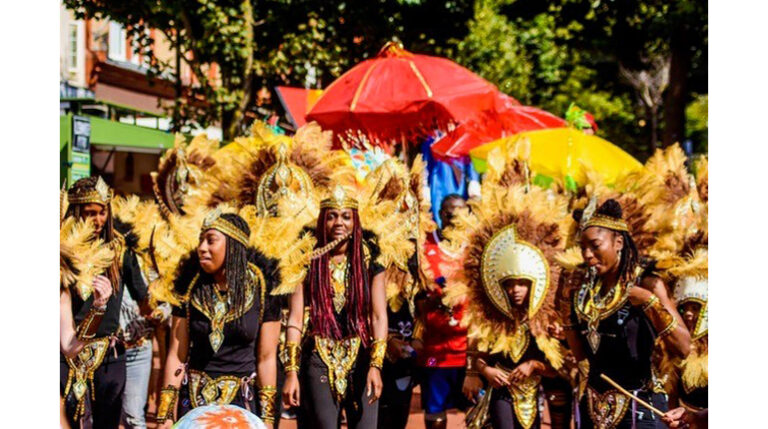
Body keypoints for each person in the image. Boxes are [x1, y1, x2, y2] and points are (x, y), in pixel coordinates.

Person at [563, 199, 691, 429]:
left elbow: (683, 346)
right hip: (594, 409)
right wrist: (565, 308)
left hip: (640, 407)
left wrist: (648, 302)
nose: (587, 254)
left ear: (618, 242)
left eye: (595, 246)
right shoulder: (584, 293)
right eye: (583, 248)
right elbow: (582, 355)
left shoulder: (648, 284)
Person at [155, 211, 283, 428]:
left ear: (233, 245)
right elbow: (177, 355)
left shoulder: (263, 286)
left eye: (211, 241)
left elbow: (267, 358)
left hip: (243, 402)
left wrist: (269, 419)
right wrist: (165, 414)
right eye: (201, 240)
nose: (202, 247)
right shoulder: (189, 286)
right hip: (195, 401)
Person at [281, 186, 388, 429]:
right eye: (332, 216)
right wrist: (291, 372)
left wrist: (376, 366)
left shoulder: (371, 258)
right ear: (322, 221)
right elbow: (295, 319)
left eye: (346, 216)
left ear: (355, 221)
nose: (339, 222)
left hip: (360, 353)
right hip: (318, 356)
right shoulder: (305, 258)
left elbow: (379, 316)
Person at [60, 176, 149, 428]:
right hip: (66, 355)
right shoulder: (62, 252)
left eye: (102, 212)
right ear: (75, 212)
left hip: (109, 356)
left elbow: (143, 297)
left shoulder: (120, 250)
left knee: (108, 423)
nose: (98, 220)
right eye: (90, 213)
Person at [415, 194, 470, 429]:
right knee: (434, 412)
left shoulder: (476, 245)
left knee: (477, 409)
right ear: (440, 213)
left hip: (469, 348)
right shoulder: (424, 245)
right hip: (433, 350)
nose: (455, 216)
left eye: (460, 211)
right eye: (449, 211)